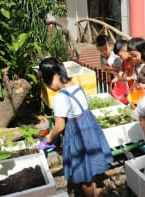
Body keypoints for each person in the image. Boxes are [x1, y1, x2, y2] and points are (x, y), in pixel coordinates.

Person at [38, 57, 112, 197]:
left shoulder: (60, 97)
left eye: (46, 82)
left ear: (54, 77)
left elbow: (60, 126)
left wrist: (50, 137)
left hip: (78, 136)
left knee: (84, 175)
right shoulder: (76, 86)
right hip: (89, 131)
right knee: (89, 168)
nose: (48, 87)